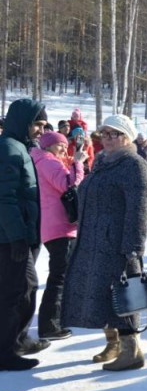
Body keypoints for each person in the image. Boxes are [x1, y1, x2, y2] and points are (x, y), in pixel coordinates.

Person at [62, 114, 147, 371]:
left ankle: (131, 351)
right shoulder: (103, 161)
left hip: (118, 245)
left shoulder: (134, 165)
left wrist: (133, 247)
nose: (108, 138)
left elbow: (140, 209)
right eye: (104, 133)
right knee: (102, 295)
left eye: (115, 133)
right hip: (93, 241)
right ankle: (113, 343)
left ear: (127, 137)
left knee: (123, 296)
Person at [0, 99, 50, 370]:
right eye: (37, 124)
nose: (41, 130)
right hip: (9, 238)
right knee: (15, 290)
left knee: (26, 286)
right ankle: (5, 351)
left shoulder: (21, 147)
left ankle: (18, 339)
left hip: (21, 233)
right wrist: (17, 236)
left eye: (44, 125)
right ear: (23, 122)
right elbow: (4, 198)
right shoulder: (8, 148)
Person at [31, 131, 88, 341]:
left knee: (61, 274)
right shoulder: (48, 161)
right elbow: (68, 185)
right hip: (59, 226)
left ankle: (56, 319)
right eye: (59, 145)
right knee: (59, 276)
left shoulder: (43, 160)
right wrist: (78, 162)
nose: (64, 148)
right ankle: (49, 325)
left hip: (54, 225)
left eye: (65, 145)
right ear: (47, 146)